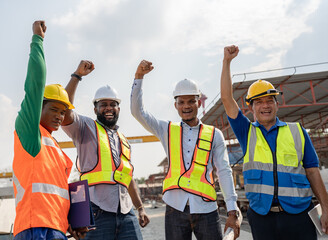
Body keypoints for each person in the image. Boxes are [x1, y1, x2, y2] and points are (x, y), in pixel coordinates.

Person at [220, 45, 328, 239]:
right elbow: (227, 99)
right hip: (263, 217)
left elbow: (312, 171)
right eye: (259, 102)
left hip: (299, 215)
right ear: (251, 107)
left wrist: (326, 208)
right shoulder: (247, 132)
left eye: (270, 100)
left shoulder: (297, 131)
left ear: (277, 104)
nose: (265, 106)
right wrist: (227, 62)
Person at [131, 60, 240, 240]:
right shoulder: (166, 129)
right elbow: (138, 112)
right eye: (181, 102)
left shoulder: (215, 135)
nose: (186, 106)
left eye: (191, 101)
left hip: (206, 208)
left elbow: (225, 172)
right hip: (175, 208)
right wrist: (139, 78)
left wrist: (232, 210)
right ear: (175, 105)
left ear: (199, 102)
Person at [12, 21, 86, 240]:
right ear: (38, 108)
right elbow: (34, 85)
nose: (59, 116)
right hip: (34, 227)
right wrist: (38, 40)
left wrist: (72, 222)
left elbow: (58, 195)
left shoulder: (56, 149)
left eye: (63, 112)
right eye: (54, 109)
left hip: (56, 229)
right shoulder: (30, 135)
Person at [61, 61, 150, 240]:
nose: (108, 108)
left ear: (118, 108)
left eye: (112, 104)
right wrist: (76, 76)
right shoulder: (84, 128)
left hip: (126, 213)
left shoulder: (123, 140)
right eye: (103, 104)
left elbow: (127, 178)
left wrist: (140, 208)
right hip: (95, 211)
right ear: (95, 109)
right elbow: (66, 110)